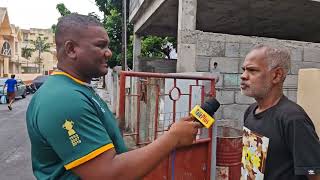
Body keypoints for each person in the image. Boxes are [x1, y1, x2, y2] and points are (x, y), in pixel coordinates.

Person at [26, 14, 201, 180]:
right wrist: (173, 138)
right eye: (100, 46)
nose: (108, 53)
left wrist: (173, 133)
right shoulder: (63, 100)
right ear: (71, 49)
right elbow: (109, 174)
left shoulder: (79, 88)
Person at [240, 44, 320, 180]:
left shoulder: (293, 119)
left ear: (277, 75)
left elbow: (314, 173)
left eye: (252, 71)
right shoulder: (250, 111)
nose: (243, 76)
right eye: (244, 70)